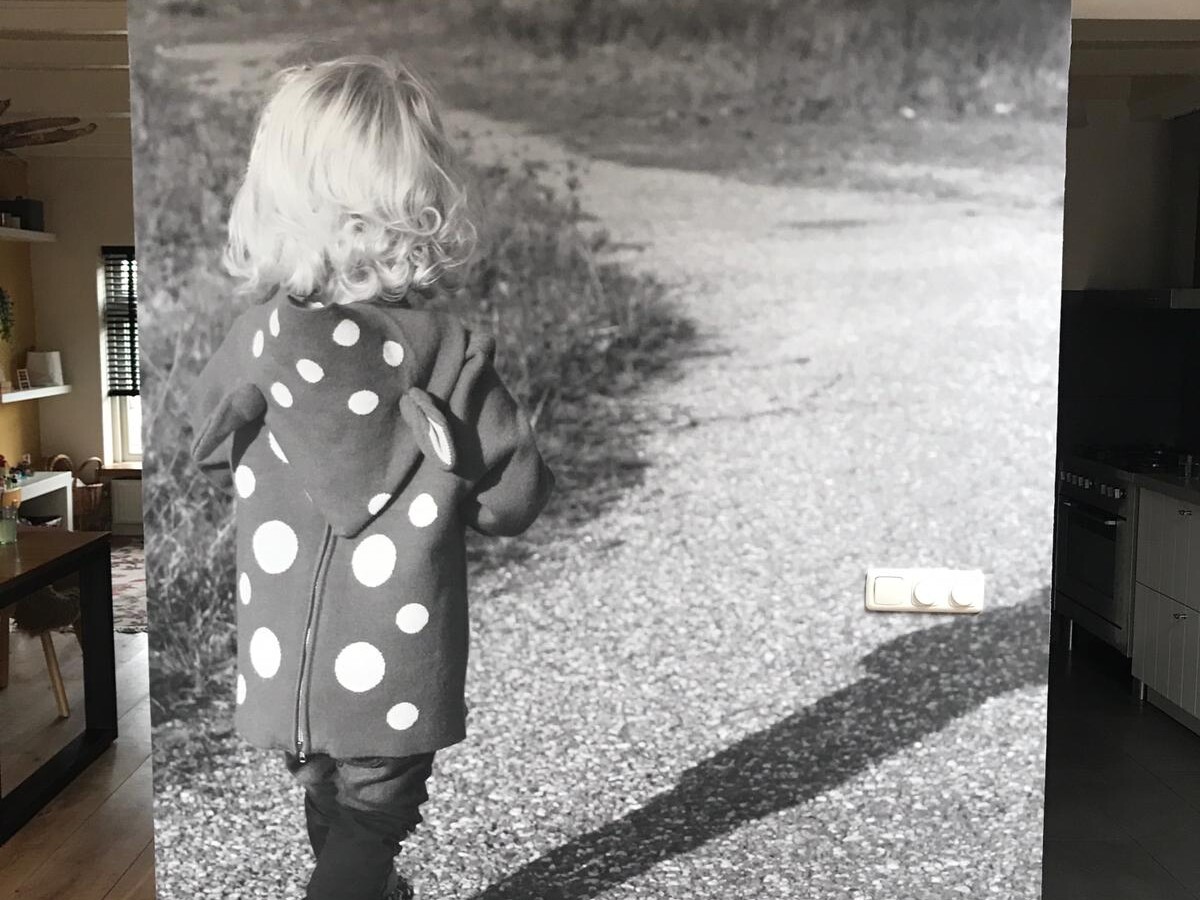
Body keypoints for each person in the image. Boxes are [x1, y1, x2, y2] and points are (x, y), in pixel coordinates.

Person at [185, 55, 555, 900]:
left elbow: (207, 445)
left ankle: (361, 887)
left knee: (327, 787)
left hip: (284, 659)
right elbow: (514, 498)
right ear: (416, 203)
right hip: (393, 659)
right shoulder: (449, 354)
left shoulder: (255, 342)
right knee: (375, 812)